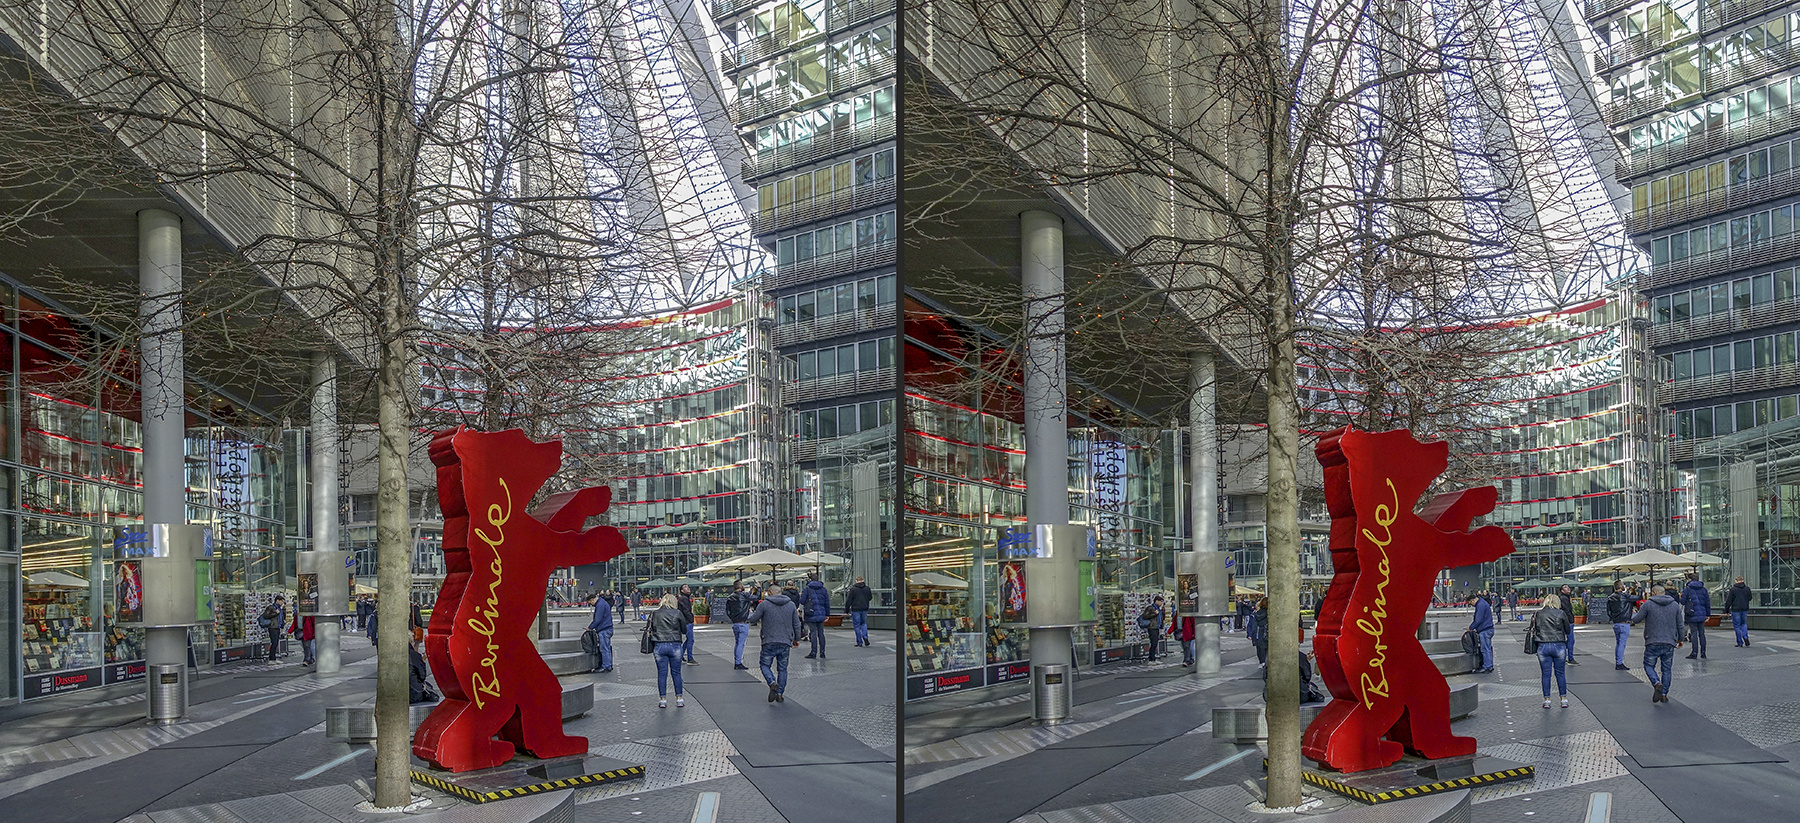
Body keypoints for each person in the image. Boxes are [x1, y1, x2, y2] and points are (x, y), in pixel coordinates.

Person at [747, 584, 803, 703]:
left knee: (764, 665)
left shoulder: (764, 604)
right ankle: (779, 693)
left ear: (771, 592)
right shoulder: (791, 605)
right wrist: (797, 639)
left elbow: (753, 619)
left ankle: (772, 682)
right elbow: (797, 624)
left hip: (769, 641)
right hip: (785, 641)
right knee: (782, 669)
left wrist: (749, 613)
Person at [1631, 584, 1683, 703]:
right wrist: (1680, 639)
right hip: (1669, 641)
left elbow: (1637, 619)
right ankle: (1664, 694)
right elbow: (1680, 624)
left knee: (1648, 665)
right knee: (1667, 669)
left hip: (1652, 641)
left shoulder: (1648, 604)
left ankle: (1656, 683)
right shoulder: (1675, 605)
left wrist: (1632, 614)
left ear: (1654, 592)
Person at [1531, 594, 1573, 708]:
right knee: (1560, 673)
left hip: (1543, 645)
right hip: (1559, 645)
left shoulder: (1538, 614)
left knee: (1546, 674)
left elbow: (1534, 628)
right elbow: (1568, 630)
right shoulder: (1561, 613)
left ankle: (1547, 700)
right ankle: (1563, 699)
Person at [647, 594, 687, 708]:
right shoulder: (677, 613)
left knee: (662, 674)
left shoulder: (655, 613)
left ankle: (663, 699)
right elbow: (684, 630)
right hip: (675, 644)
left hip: (659, 644)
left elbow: (652, 628)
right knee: (676, 673)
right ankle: (679, 698)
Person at [1679, 573, 1711, 659]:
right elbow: (1707, 602)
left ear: (1690, 580)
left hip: (1691, 613)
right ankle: (1703, 652)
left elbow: (1682, 601)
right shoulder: (1703, 589)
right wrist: (1708, 614)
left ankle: (1694, 652)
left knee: (1694, 633)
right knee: (1702, 634)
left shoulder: (1687, 589)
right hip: (1702, 614)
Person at [727, 582, 757, 669]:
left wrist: (733, 618)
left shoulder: (730, 597)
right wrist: (758, 589)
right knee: (741, 643)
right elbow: (756, 598)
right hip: (743, 622)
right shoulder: (743, 595)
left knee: (737, 643)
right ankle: (738, 663)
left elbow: (727, 611)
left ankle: (737, 661)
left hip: (735, 623)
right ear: (740, 586)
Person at [1607, 581, 1635, 671]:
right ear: (1621, 586)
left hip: (1616, 623)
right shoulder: (1625, 597)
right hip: (1624, 622)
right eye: (1623, 584)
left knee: (1619, 643)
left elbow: (1608, 611)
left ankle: (1618, 661)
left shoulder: (1610, 597)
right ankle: (1619, 663)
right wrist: (1639, 587)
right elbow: (1638, 597)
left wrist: (1614, 618)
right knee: (1622, 644)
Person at [801, 574, 831, 659]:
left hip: (811, 613)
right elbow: (827, 602)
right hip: (821, 613)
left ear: (810, 579)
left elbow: (802, 601)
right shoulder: (823, 589)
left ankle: (813, 652)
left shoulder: (807, 589)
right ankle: (822, 652)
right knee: (821, 633)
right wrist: (827, 614)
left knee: (813, 632)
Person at [587, 591, 614, 673]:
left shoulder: (600, 605)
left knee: (604, 648)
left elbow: (597, 620)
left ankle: (605, 666)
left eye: (590, 603)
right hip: (608, 628)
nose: (591, 605)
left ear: (592, 600)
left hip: (604, 629)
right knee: (607, 648)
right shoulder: (602, 602)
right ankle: (609, 665)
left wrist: (590, 627)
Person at [1468, 592, 1494, 673]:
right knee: (1487, 648)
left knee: (1485, 649)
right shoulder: (1482, 603)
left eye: (1470, 603)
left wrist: (1471, 627)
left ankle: (1487, 666)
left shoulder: (1480, 605)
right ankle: (1489, 665)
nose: (1471, 605)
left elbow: (1478, 620)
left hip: (1485, 629)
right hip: (1488, 628)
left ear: (1473, 600)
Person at [407, 638, 438, 703]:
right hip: (414, 695)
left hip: (397, 694)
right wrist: (423, 659)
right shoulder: (414, 655)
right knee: (428, 686)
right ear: (410, 641)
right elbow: (422, 676)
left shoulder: (392, 655)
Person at [845, 576, 873, 647]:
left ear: (856, 581)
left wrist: (847, 610)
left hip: (855, 609)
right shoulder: (867, 588)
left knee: (857, 625)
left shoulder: (853, 589)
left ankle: (859, 642)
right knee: (863, 623)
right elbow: (870, 598)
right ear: (863, 580)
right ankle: (865, 637)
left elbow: (849, 600)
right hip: (865, 608)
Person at [1726, 576, 1752, 647]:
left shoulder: (1733, 589)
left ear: (1736, 581)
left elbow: (1729, 600)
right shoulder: (1747, 589)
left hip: (1735, 609)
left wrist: (1727, 610)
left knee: (1737, 626)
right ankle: (1745, 637)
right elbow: (1750, 598)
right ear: (1742, 580)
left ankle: (1740, 642)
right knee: (1743, 624)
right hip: (1744, 609)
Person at [675, 585, 699, 665]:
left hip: (686, 621)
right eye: (685, 587)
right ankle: (689, 658)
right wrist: (691, 619)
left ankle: (680, 655)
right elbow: (685, 610)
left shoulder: (684, 598)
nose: (688, 588)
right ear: (681, 590)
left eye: (688, 587)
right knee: (690, 639)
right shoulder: (684, 599)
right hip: (687, 622)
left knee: (689, 639)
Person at [1138, 595, 1167, 661]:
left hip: (1157, 627)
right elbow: (1145, 616)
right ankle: (1151, 659)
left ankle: (1153, 658)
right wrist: (1154, 614)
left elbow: (1161, 618)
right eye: (1160, 601)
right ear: (1156, 601)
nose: (1161, 603)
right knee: (1153, 643)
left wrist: (1163, 612)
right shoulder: (1151, 608)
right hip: (1152, 627)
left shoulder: (1159, 609)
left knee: (1155, 643)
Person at [259, 596, 287, 661]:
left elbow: (281, 617)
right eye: (281, 601)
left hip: (277, 627)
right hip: (272, 627)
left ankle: (273, 658)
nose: (282, 602)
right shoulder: (271, 607)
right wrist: (275, 613)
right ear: (277, 600)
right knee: (274, 642)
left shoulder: (280, 608)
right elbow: (265, 615)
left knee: (276, 642)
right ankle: (271, 658)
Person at [1557, 585, 1579, 665]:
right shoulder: (1564, 598)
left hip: (1566, 621)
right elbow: (1566, 610)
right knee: (1570, 640)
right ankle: (1570, 657)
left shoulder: (1565, 598)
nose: (1568, 588)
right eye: (1565, 587)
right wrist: (1570, 619)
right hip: (1567, 622)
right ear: (1562, 591)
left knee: (1568, 640)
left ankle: (1564, 656)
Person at [1248, 597, 1269, 664]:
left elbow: (1253, 626)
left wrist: (1251, 635)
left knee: (1260, 650)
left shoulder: (1257, 614)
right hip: (1267, 634)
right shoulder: (1269, 614)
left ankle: (1262, 662)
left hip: (1258, 635)